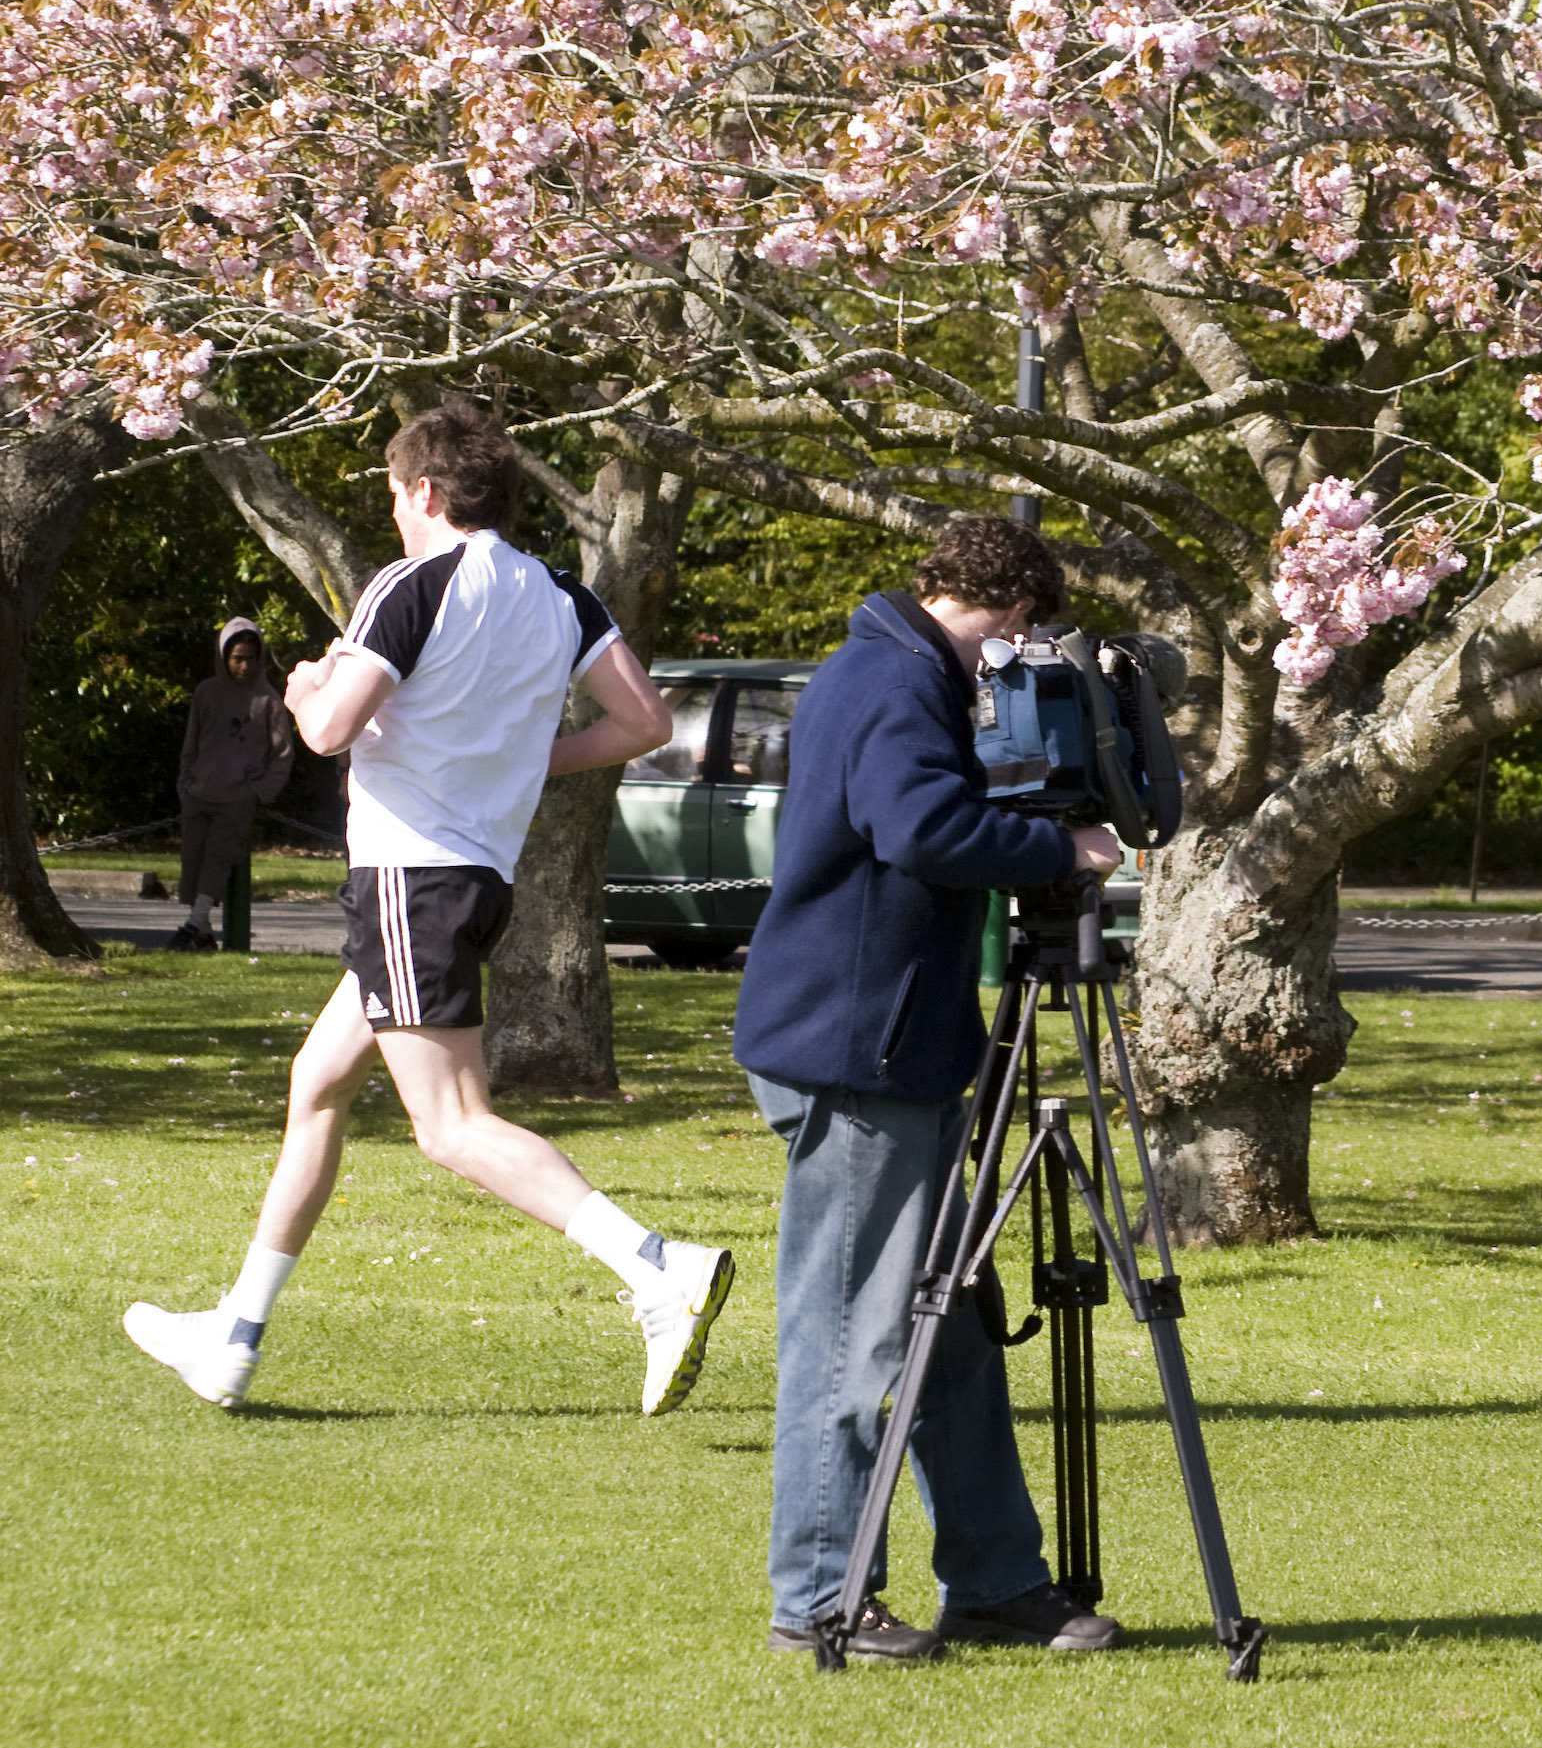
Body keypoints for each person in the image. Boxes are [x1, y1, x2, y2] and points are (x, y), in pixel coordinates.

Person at [124, 399, 734, 1417]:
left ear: (423, 491)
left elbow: (325, 733)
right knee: (315, 1082)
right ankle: (233, 1337)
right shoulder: (559, 595)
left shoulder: (407, 584)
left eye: (395, 499)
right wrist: (534, 758)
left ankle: (657, 1266)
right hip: (473, 880)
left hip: (410, 879)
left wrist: (310, 677)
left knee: (451, 1125)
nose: (393, 518)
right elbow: (643, 722)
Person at [732, 514, 1125, 1662]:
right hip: (861, 1054)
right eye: (1022, 632)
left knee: (946, 1324)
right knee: (853, 1333)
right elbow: (918, 828)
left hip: (876, 1042)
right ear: (1008, 612)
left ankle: (997, 1581)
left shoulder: (883, 669)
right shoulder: (895, 681)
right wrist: (1060, 852)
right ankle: (818, 1599)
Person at [169, 619, 295, 950]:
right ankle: (205, 933)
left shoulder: (268, 700)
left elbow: (282, 754)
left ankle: (193, 925)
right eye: (237, 658)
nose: (244, 666)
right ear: (224, 657)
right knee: (193, 859)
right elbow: (191, 743)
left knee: (219, 857)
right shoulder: (206, 693)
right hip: (199, 791)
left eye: (250, 658)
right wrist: (186, 782)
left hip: (238, 796)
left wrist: (261, 791)